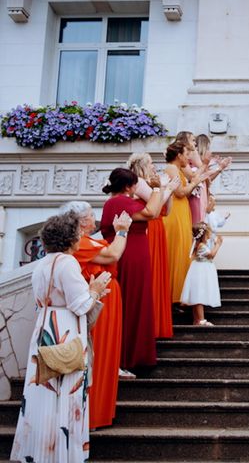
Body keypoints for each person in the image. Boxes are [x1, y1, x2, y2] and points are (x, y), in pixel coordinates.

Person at [11, 212, 110, 463]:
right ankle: (62, 455)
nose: (80, 237)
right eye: (78, 233)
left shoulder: (43, 263)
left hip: (45, 327)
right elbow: (80, 305)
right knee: (65, 391)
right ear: (70, 238)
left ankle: (42, 450)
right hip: (64, 330)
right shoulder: (67, 263)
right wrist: (95, 290)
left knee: (44, 392)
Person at [60, 200, 132, 430]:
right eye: (91, 215)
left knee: (106, 356)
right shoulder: (79, 242)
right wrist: (122, 230)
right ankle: (91, 415)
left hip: (107, 300)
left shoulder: (86, 240)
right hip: (98, 303)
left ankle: (99, 413)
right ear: (81, 222)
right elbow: (112, 254)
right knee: (98, 357)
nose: (95, 218)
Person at [101, 168, 164, 370]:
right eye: (135, 184)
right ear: (129, 186)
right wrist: (156, 189)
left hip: (134, 253)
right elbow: (152, 212)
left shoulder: (120, 201)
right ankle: (127, 357)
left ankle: (134, 355)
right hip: (129, 256)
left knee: (137, 301)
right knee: (132, 302)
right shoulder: (118, 202)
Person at [127, 152, 177, 339]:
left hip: (158, 228)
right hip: (148, 228)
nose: (154, 167)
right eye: (150, 164)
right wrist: (166, 189)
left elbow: (166, 210)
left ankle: (157, 323)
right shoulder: (139, 182)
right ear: (141, 166)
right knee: (151, 273)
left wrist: (167, 190)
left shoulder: (149, 184)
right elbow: (154, 203)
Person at [163, 140, 210, 303]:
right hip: (174, 212)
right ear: (178, 155)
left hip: (182, 211)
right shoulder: (171, 168)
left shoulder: (178, 169)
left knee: (183, 251)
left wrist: (203, 169)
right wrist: (195, 182)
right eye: (186, 154)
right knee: (176, 251)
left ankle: (180, 295)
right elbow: (180, 192)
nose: (187, 158)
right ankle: (173, 296)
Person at [180, 222, 223, 325]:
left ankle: (196, 319)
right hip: (200, 272)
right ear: (204, 234)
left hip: (201, 270)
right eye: (208, 233)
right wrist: (218, 244)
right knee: (199, 294)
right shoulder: (201, 246)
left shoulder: (200, 245)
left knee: (198, 294)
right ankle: (201, 319)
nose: (210, 235)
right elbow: (211, 255)